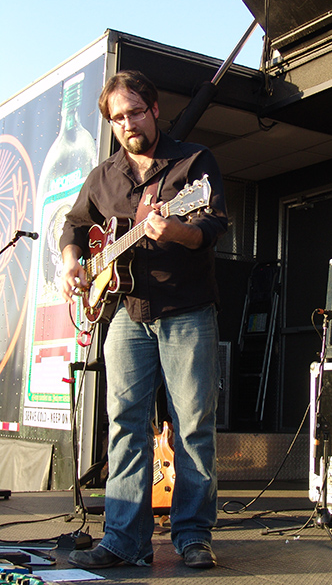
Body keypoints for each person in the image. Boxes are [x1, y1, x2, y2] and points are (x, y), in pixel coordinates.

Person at [60, 70, 228, 570]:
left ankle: (193, 535)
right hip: (126, 313)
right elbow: (74, 226)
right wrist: (73, 263)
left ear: (154, 110)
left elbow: (211, 227)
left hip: (186, 309)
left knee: (192, 426)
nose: (128, 124)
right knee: (124, 425)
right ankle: (124, 540)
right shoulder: (103, 176)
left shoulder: (194, 162)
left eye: (135, 112)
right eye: (118, 118)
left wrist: (175, 230)